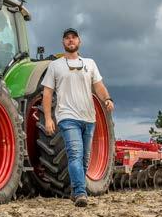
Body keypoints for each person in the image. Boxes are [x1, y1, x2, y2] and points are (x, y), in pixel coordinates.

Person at [40, 28, 114, 207]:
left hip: (88, 118)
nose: (70, 40)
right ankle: (81, 192)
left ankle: (75, 190)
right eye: (67, 38)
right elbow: (47, 93)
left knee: (84, 159)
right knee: (74, 154)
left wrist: (107, 99)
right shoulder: (55, 66)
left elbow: (98, 86)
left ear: (79, 41)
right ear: (63, 42)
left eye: (73, 37)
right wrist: (48, 118)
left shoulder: (90, 63)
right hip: (67, 117)